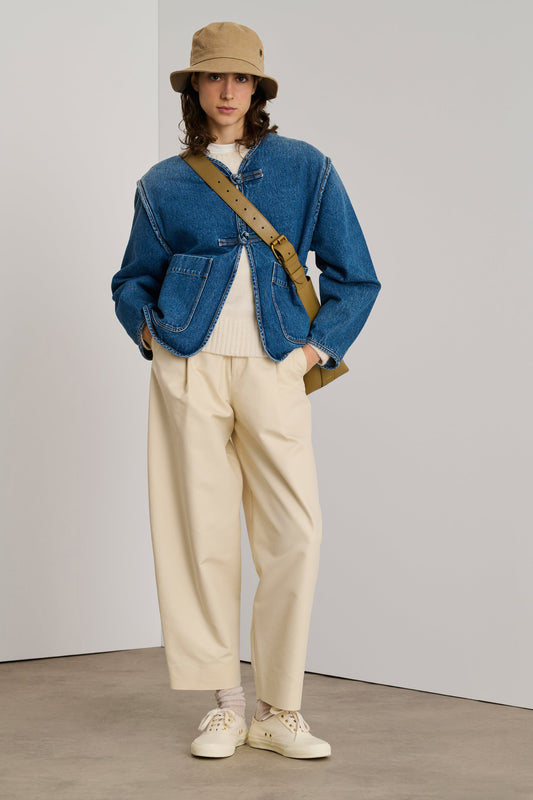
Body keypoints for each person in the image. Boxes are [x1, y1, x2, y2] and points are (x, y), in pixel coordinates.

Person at [111, 21, 381, 760]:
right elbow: (131, 280)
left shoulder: (305, 167)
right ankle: (226, 705)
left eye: (241, 78)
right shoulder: (162, 184)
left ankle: (279, 710)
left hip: (274, 366)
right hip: (189, 369)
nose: (227, 91)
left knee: (295, 534)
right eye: (213, 76)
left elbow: (355, 274)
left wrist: (312, 353)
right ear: (194, 87)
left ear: (258, 88)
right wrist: (152, 338)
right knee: (199, 536)